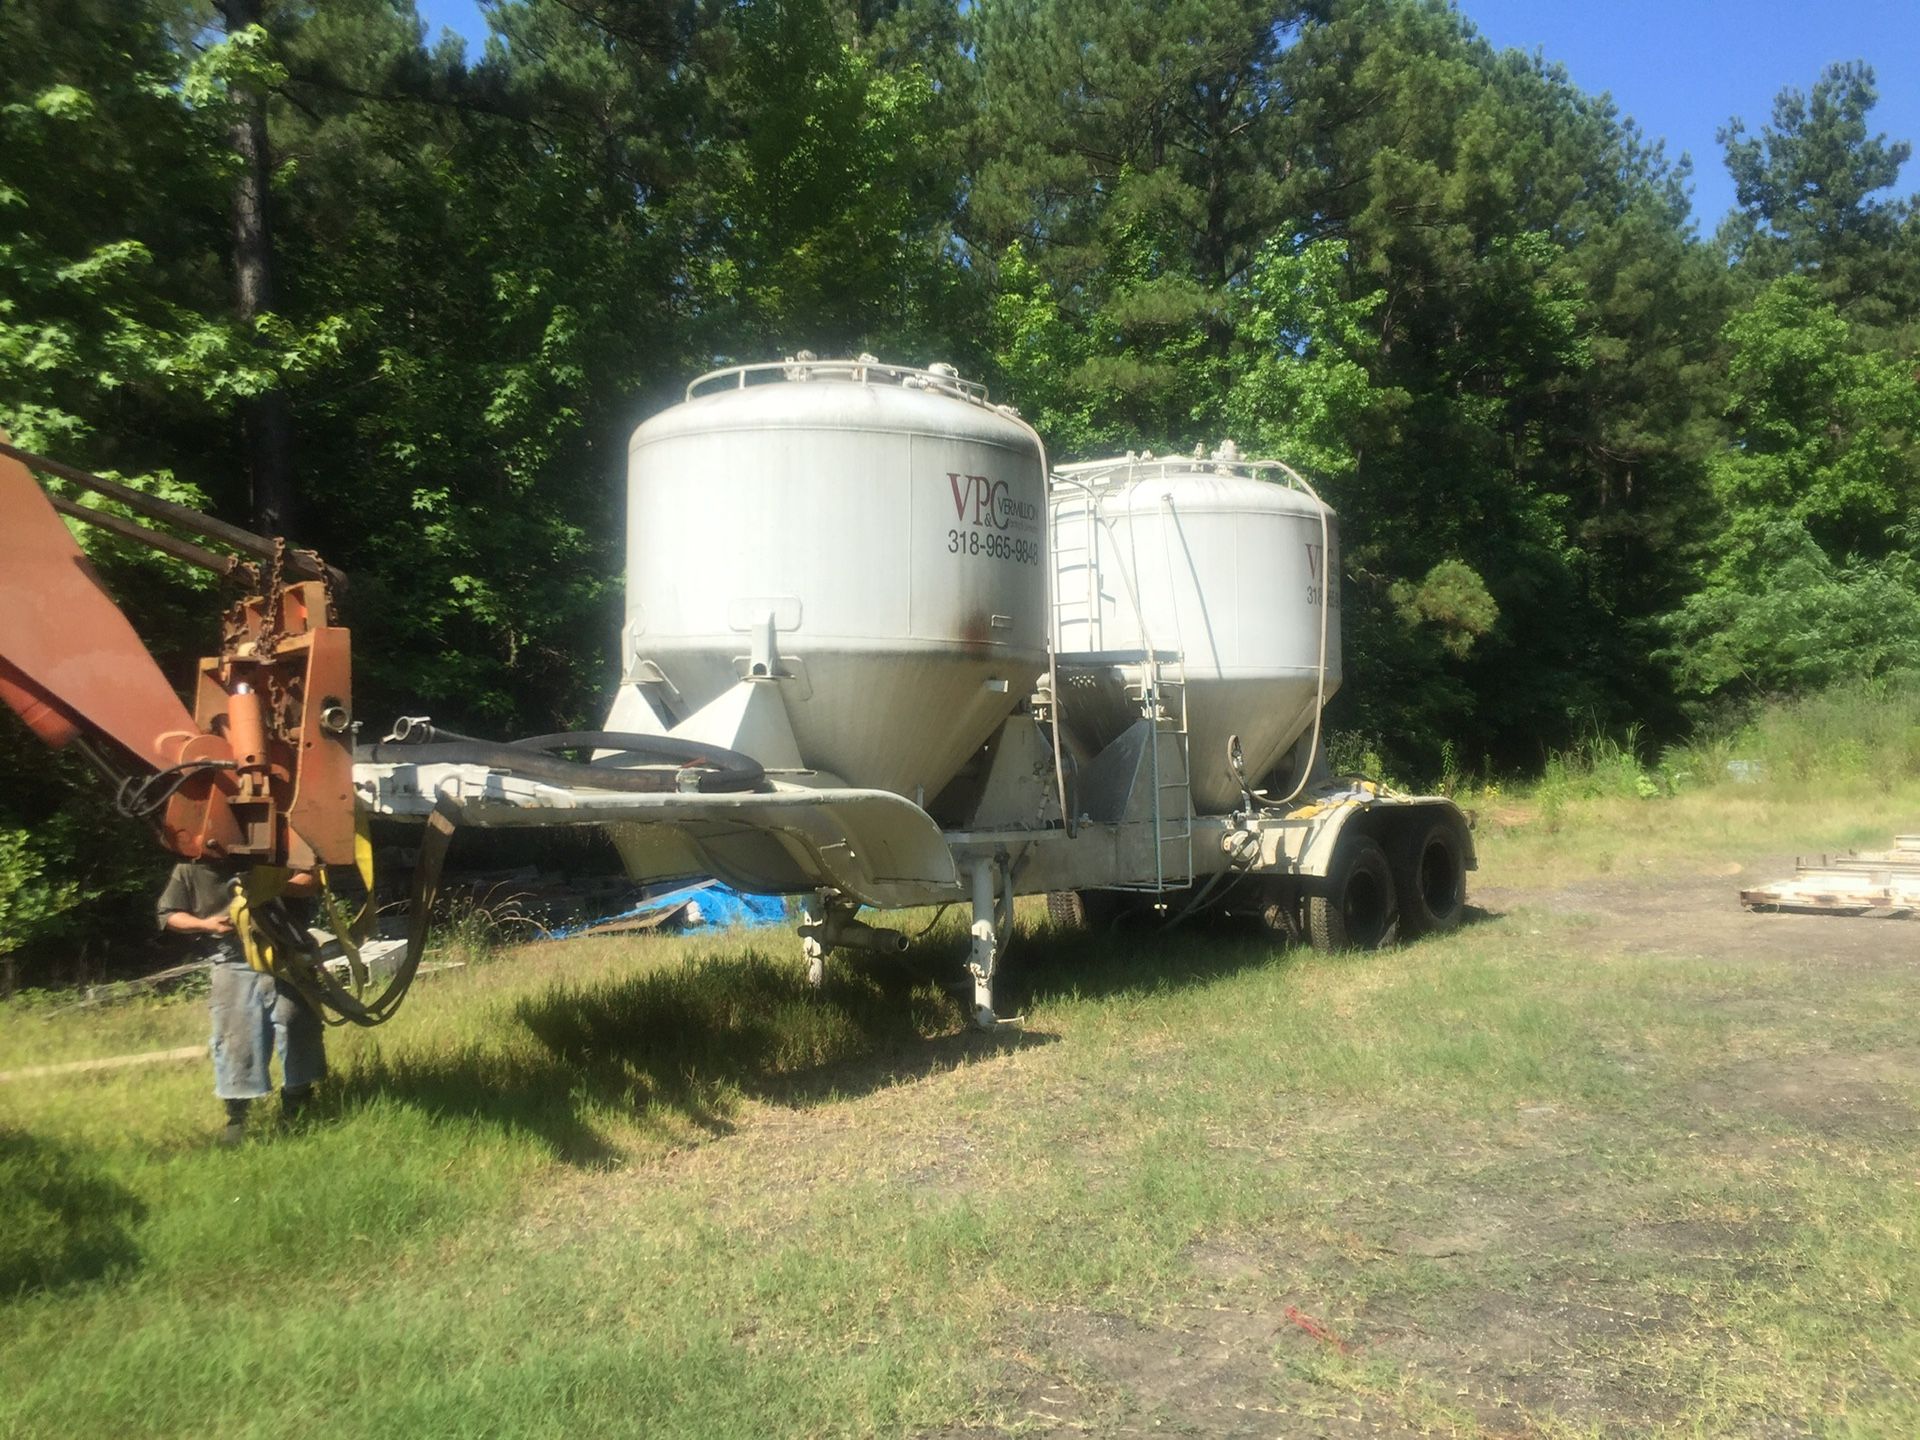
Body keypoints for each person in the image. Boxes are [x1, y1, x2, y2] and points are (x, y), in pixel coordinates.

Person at [156, 858, 327, 1146]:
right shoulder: (190, 868)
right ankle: (238, 1120)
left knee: (296, 1024)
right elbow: (168, 914)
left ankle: (298, 1107)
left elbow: (310, 881)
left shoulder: (279, 853)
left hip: (286, 955)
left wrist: (273, 885)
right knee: (235, 1039)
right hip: (231, 959)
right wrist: (204, 923)